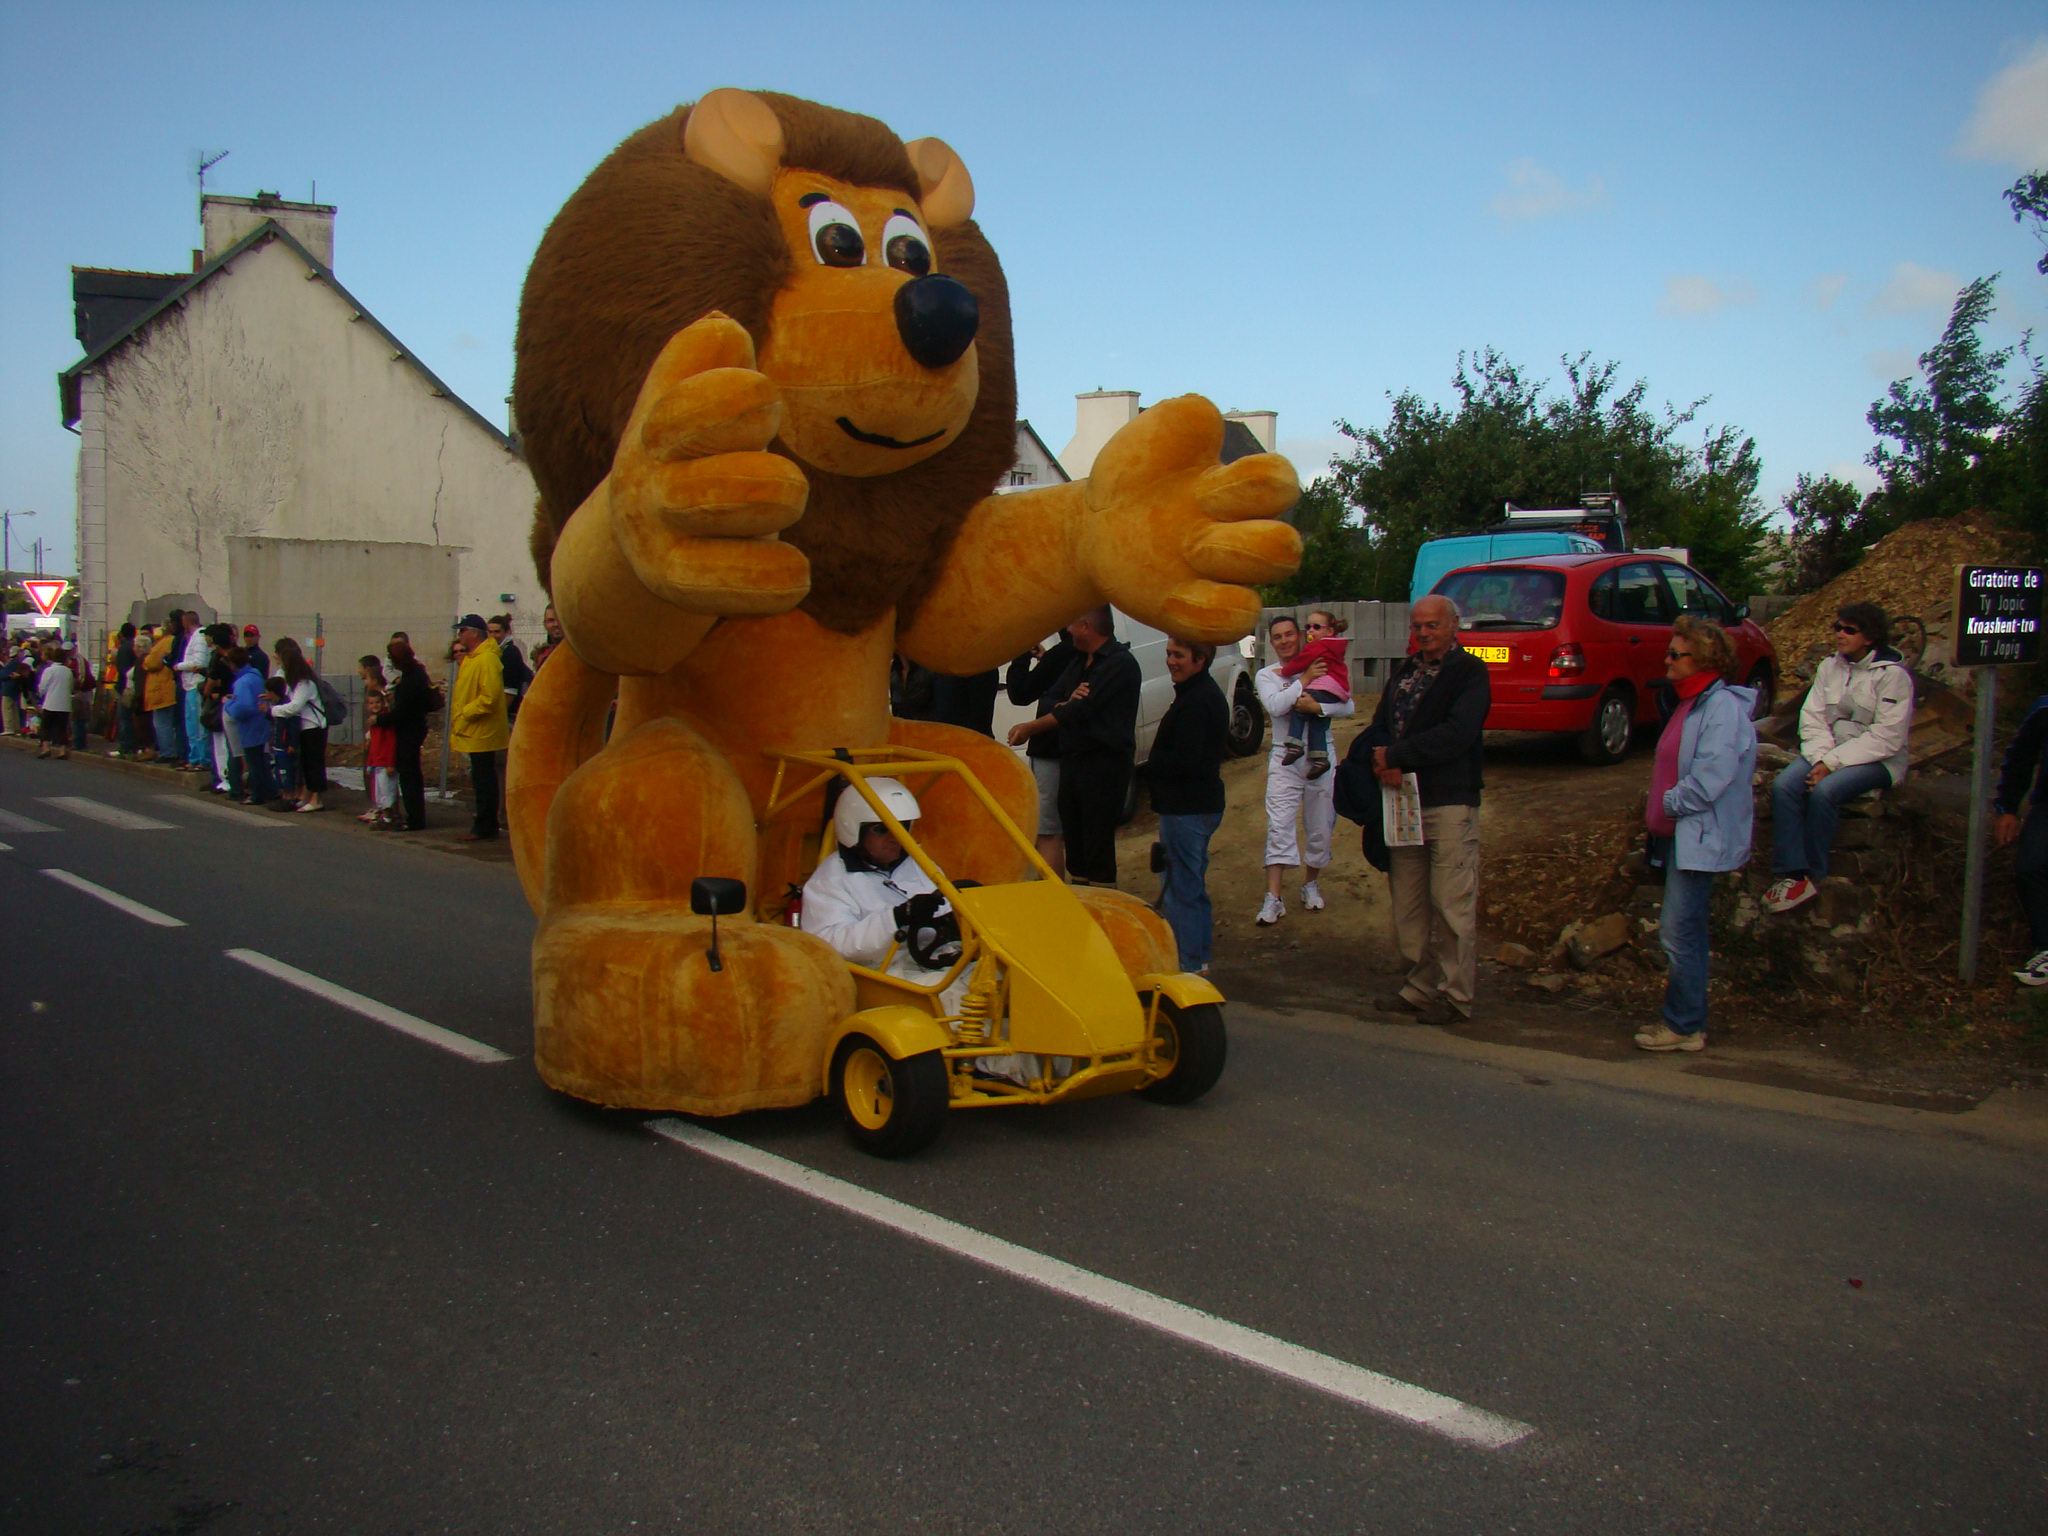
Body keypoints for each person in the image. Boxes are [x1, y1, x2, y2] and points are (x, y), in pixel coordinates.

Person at [1364, 594, 1490, 1025]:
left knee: (1452, 902)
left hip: (1450, 800)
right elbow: (1380, 720)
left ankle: (1456, 996)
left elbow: (1458, 734)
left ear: (1454, 626)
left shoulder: (1470, 673)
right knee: (1409, 901)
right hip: (1403, 801)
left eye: (1432, 626)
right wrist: (1384, 754)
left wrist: (1401, 755)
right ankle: (1417, 988)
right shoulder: (1404, 671)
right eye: (1418, 626)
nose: (1423, 633)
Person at [1636, 616, 1758, 1051]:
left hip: (1697, 836)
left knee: (1676, 931)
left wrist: (1669, 803)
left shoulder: (1720, 710)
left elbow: (1711, 777)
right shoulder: (1690, 703)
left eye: (1675, 654)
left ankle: (1682, 1022)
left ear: (1703, 660)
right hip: (1679, 836)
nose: (1666, 660)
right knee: (1688, 930)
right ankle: (1691, 1023)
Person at [1763, 602, 1914, 915]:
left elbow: (1887, 737)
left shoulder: (1893, 677)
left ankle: (1815, 872)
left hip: (1877, 760)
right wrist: (1821, 758)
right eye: (1838, 628)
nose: (1840, 635)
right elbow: (1813, 718)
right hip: (1827, 750)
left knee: (1825, 792)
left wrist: (1831, 764)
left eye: (1849, 630)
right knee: (1784, 786)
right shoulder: (1829, 668)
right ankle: (1792, 873)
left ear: (1869, 637)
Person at [1009, 607, 1138, 886]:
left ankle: (1103, 911)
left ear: (1087, 627)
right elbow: (1059, 700)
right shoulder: (1079, 660)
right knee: (1076, 847)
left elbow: (1080, 709)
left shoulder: (1119, 664)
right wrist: (1067, 703)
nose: (1067, 630)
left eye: (1072, 625)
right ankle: (1080, 907)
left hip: (1103, 767)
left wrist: (1031, 727)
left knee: (1096, 846)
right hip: (1072, 762)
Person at [1255, 612, 1355, 925]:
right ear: (1271, 643)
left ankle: (1310, 883)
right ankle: (1274, 897)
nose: (1284, 641)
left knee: (1321, 825)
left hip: (1320, 757)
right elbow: (1275, 706)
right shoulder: (1268, 674)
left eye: (1289, 634)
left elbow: (1348, 704)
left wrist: (1319, 707)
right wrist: (1305, 681)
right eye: (1277, 637)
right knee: (1279, 824)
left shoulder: (1320, 658)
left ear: (1300, 635)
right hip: (1285, 757)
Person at [1143, 637, 1230, 974]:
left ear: (1200, 659)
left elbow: (1186, 761)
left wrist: (1153, 769)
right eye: (1168, 653)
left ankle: (1188, 963)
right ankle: (1198, 955)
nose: (1170, 661)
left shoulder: (1197, 701)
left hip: (1188, 808)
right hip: (1192, 805)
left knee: (1182, 888)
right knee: (1189, 884)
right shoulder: (1196, 694)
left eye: (1178, 655)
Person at [1004, 629, 1083, 876]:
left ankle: (1055, 897)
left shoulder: (1067, 650)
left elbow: (1020, 692)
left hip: (1051, 749)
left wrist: (1020, 651)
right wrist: (1046, 659)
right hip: (1078, 750)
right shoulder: (1093, 654)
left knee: (1048, 833)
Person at [1992, 691, 2048, 985]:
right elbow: (2021, 758)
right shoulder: (2044, 708)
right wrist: (2008, 808)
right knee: (2031, 867)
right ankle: (2045, 948)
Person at [450, 613, 509, 841]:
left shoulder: (487, 660)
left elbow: (490, 697)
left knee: (485, 779)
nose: (459, 635)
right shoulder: (474, 659)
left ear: (473, 633)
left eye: (462, 630)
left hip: (483, 731)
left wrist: (466, 713)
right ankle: (485, 822)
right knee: (481, 777)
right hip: (474, 730)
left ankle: (485, 825)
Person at [1277, 611, 1351, 777]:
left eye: (1316, 627)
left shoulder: (1317, 646)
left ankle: (1295, 744)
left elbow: (1299, 662)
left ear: (1329, 631)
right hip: (1337, 689)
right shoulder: (1334, 647)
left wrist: (1285, 671)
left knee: (1301, 706)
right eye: (1308, 627)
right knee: (1318, 722)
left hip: (1325, 687)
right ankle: (1320, 759)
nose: (1310, 631)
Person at [268, 636, 330, 812]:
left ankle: (316, 799)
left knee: (314, 764)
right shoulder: (297, 682)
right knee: (306, 763)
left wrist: (272, 711)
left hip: (314, 728)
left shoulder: (305, 683)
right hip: (306, 728)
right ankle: (307, 796)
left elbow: (294, 707)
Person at [384, 638, 435, 832]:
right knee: (411, 773)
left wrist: (380, 720)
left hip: (409, 730)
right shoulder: (417, 673)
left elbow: (402, 711)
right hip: (416, 726)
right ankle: (415, 815)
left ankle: (415, 818)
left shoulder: (410, 678)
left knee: (409, 775)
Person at [222, 644, 277, 805]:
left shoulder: (242, 682)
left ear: (233, 664)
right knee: (261, 760)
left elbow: (243, 707)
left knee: (254, 762)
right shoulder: (256, 677)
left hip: (250, 727)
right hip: (260, 723)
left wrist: (228, 705)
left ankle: (256, 794)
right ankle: (271, 791)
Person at [358, 654, 400, 826]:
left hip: (385, 761)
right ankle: (382, 813)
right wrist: (370, 762)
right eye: (371, 704)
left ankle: (389, 815)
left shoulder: (384, 719)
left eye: (366, 678)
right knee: (380, 790)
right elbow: (374, 743)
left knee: (388, 790)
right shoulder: (375, 721)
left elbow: (390, 742)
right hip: (377, 760)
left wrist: (390, 762)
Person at [175, 608, 211, 771]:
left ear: (186, 622)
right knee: (191, 725)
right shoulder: (194, 637)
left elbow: (200, 662)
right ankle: (195, 757)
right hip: (190, 685)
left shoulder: (199, 637)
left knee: (197, 725)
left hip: (195, 685)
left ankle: (202, 759)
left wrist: (179, 666)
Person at [141, 620, 180, 761]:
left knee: (162, 723)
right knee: (171, 724)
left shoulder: (164, 643)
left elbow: (152, 663)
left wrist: (145, 660)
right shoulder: (176, 641)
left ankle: (167, 752)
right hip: (170, 687)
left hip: (161, 689)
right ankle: (172, 750)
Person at [490, 615, 531, 726]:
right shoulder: (496, 652)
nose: (493, 636)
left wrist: (498, 718)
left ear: (507, 632)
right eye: (490, 632)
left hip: (509, 714)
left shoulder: (510, 652)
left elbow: (509, 691)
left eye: (497, 632)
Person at [33, 640, 72, 759]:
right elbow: (71, 686)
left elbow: (42, 687)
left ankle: (46, 748)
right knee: (62, 728)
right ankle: (62, 750)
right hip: (64, 704)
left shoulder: (49, 670)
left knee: (46, 726)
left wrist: (40, 694)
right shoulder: (68, 671)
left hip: (50, 703)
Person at [110, 622, 140, 757]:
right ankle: (136, 745)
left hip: (125, 686)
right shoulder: (136, 647)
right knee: (136, 718)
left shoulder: (123, 648)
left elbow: (122, 670)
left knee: (124, 718)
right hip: (137, 686)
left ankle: (125, 746)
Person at [530, 605, 565, 671]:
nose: (556, 624)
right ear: (545, 625)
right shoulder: (543, 656)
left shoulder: (581, 654)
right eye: (551, 620)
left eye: (560, 619)